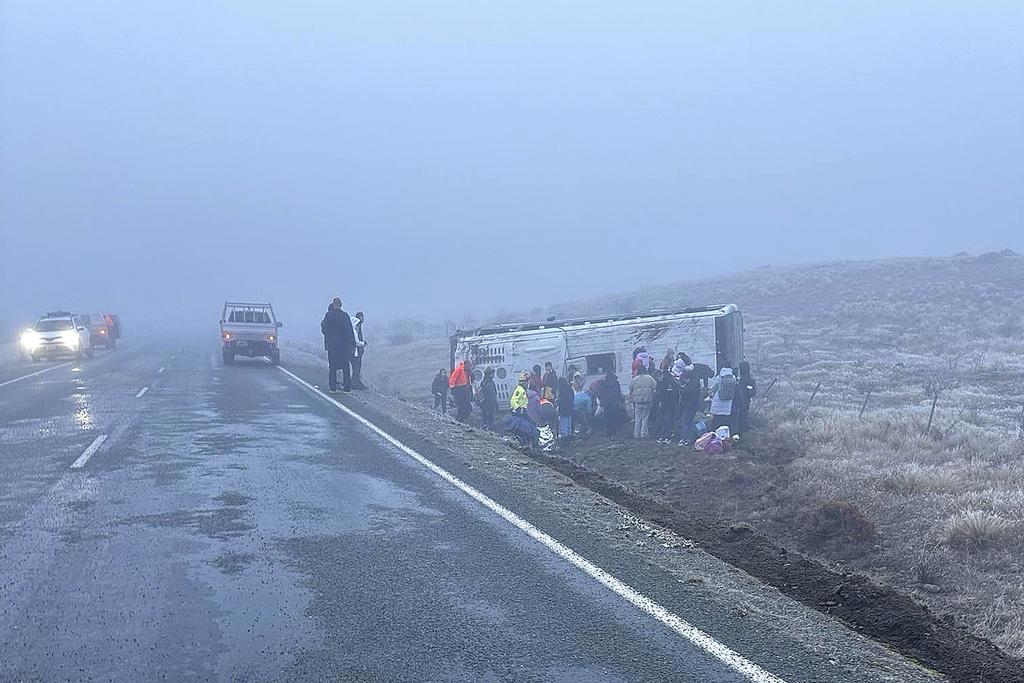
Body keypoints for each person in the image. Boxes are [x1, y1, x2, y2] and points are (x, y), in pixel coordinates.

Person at [321, 298, 355, 393]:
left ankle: (332, 387)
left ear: (333, 305)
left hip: (332, 345)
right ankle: (347, 387)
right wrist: (352, 343)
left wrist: (329, 337)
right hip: (343, 345)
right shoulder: (345, 315)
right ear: (341, 305)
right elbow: (349, 330)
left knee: (332, 366)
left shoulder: (329, 315)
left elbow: (324, 329)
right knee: (345, 366)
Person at [629, 365, 657, 440]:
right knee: (645, 418)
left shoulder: (635, 379)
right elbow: (655, 386)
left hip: (637, 401)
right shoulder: (649, 378)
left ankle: (636, 434)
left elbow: (630, 388)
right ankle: (643, 434)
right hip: (647, 400)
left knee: (637, 418)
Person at [655, 368, 681, 443]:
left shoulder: (665, 383)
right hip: (668, 404)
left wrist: (659, 401)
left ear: (661, 376)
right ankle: (665, 436)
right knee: (666, 421)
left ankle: (665, 436)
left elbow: (661, 394)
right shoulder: (671, 382)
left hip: (666, 405)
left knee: (665, 421)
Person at [678, 368, 704, 446]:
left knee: (685, 422)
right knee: (690, 422)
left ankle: (684, 439)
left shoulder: (689, 386)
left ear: (687, 378)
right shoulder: (696, 384)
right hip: (694, 406)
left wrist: (681, 388)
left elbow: (684, 393)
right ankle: (690, 438)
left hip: (688, 406)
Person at [708, 366, 737, 432]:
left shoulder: (719, 378)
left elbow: (713, 388)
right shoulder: (733, 378)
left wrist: (708, 392)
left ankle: (715, 434)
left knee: (716, 421)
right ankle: (725, 435)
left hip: (718, 403)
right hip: (728, 403)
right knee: (725, 421)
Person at [597, 372, 626, 437]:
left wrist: (602, 401)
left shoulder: (603, 384)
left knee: (607, 419)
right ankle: (614, 432)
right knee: (614, 419)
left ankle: (608, 433)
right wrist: (620, 401)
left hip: (607, 404)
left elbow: (600, 394)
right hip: (615, 404)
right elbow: (618, 393)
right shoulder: (616, 384)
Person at [732, 360, 757, 435]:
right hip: (745, 401)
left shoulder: (740, 380)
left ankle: (740, 432)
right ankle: (743, 431)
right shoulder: (749, 379)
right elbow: (752, 392)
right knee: (743, 417)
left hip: (738, 402)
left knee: (740, 418)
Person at [350, 311, 367, 389]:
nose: (363, 319)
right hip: (355, 351)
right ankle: (354, 382)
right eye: (362, 317)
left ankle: (357, 381)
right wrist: (363, 344)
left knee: (357, 367)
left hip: (358, 351)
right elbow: (356, 341)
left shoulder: (358, 326)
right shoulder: (355, 329)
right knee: (356, 367)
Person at [557, 373, 575, 443]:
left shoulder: (562, 391)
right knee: (569, 424)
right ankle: (569, 436)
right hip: (570, 409)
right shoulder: (570, 389)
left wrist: (558, 401)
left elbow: (561, 401)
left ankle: (565, 439)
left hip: (563, 410)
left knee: (564, 424)